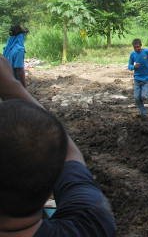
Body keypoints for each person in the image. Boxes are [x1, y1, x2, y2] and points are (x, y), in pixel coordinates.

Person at [0, 56, 116, 236]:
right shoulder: (91, 225)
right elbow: (70, 156)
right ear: (52, 190)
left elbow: (69, 156)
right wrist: (10, 84)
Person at [127, 38, 148, 118]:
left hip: (147, 78)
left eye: (138, 47)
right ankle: (143, 113)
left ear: (141, 45)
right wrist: (133, 67)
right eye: (135, 47)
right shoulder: (133, 54)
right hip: (137, 79)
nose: (137, 49)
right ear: (133, 47)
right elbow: (129, 66)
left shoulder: (147, 52)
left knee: (144, 96)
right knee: (137, 98)